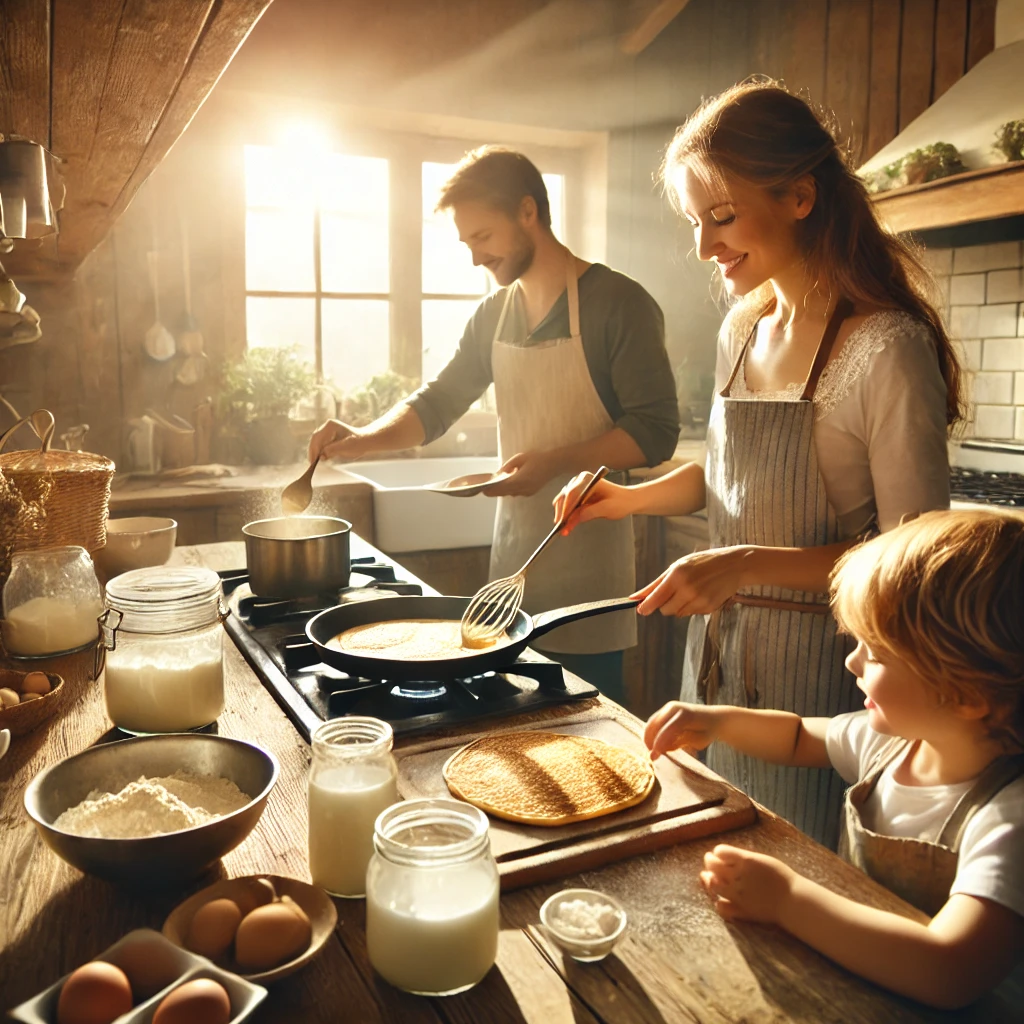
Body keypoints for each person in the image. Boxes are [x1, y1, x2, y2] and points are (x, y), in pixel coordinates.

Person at [554, 80, 963, 846]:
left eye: (722, 217)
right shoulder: (743, 329)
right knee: (711, 850)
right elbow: (727, 477)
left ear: (800, 196)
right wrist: (626, 496)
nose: (705, 247)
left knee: (795, 871)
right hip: (716, 658)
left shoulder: (886, 347)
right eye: (694, 223)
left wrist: (742, 564)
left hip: (826, 678)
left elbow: (913, 563)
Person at [308, 147, 680, 702]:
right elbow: (438, 405)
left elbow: (655, 433)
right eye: (467, 243)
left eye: (482, 237)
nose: (475, 257)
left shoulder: (618, 304)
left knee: (593, 735)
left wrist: (553, 463)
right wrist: (360, 441)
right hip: (510, 571)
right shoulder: (493, 316)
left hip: (590, 570)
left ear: (527, 212)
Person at [643, 510, 1024, 1010]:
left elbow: (949, 969)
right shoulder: (892, 745)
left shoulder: (1008, 820)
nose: (852, 661)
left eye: (879, 654)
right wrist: (718, 721)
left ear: (968, 694)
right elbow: (800, 736)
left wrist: (787, 900)